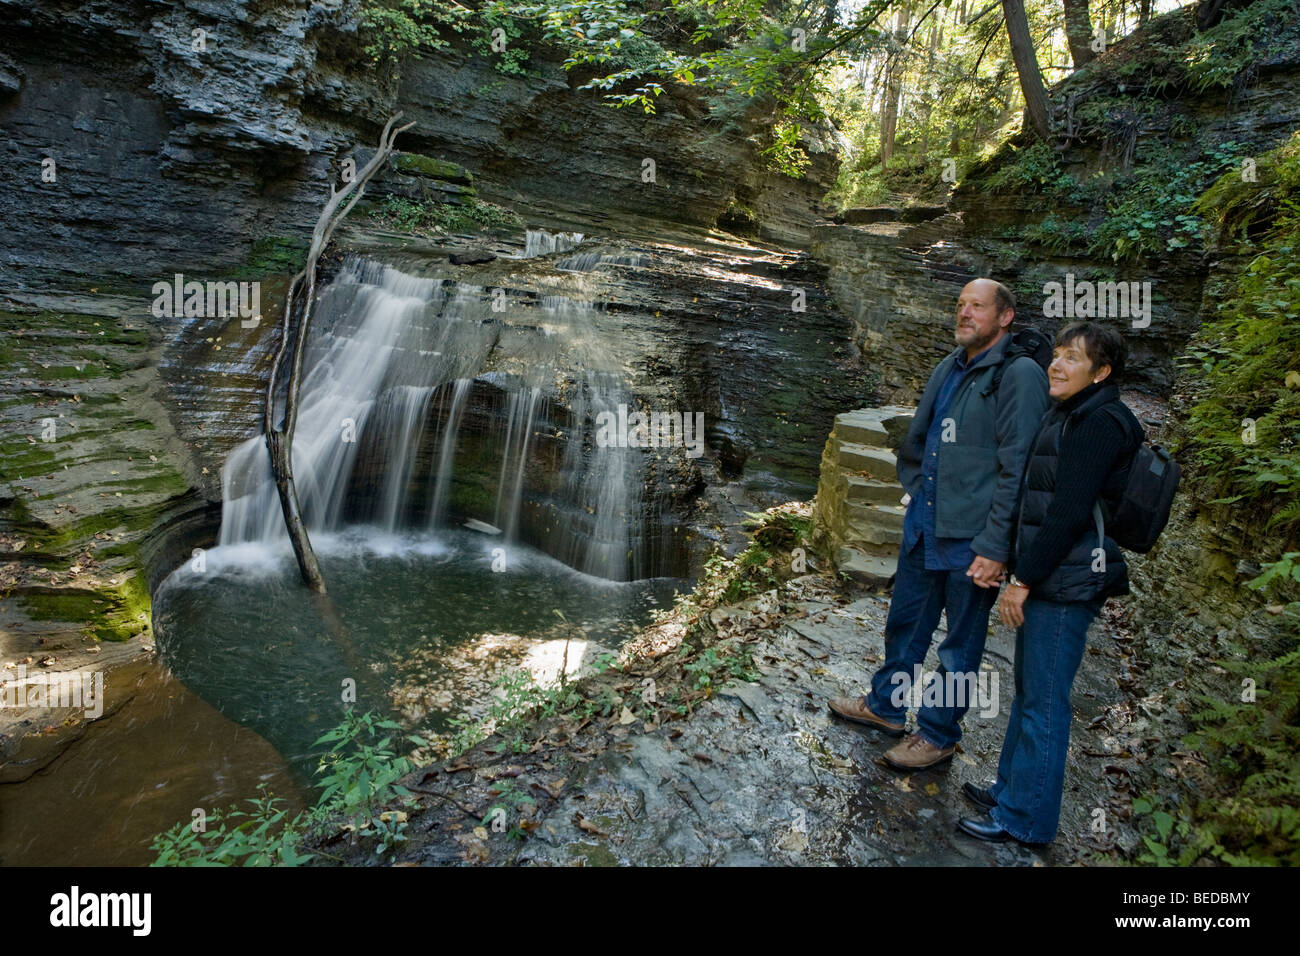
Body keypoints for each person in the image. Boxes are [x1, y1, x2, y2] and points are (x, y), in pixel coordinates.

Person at [830, 278, 1050, 769]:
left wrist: (996, 546)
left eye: (977, 306)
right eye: (960, 305)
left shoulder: (1019, 376)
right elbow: (920, 439)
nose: (964, 314)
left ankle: (937, 733)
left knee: (959, 642)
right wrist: (918, 490)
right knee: (905, 625)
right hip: (926, 526)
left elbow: (1021, 467)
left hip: (974, 540)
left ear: (1005, 316)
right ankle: (886, 707)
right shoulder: (949, 367)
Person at [958, 321, 1145, 844]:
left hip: (1067, 584)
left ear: (1101, 372)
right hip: (1054, 578)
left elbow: (1065, 513)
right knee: (1029, 693)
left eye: (1072, 359)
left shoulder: (1101, 422)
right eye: (1056, 354)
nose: (1056, 365)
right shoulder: (1072, 410)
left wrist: (1022, 579)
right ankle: (1011, 791)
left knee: (1044, 702)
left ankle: (1026, 820)